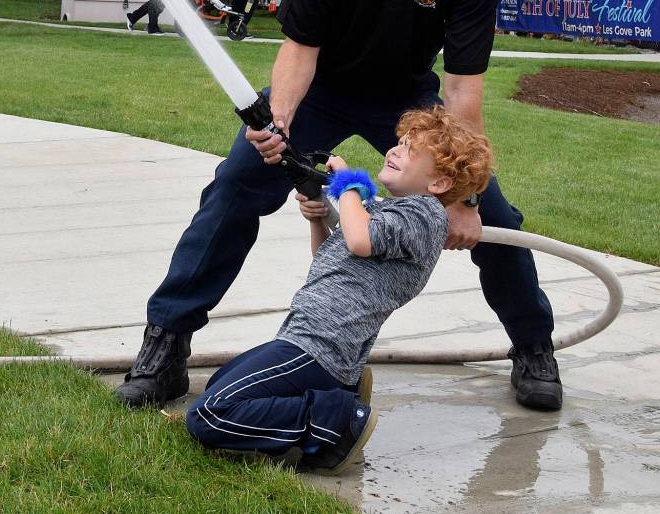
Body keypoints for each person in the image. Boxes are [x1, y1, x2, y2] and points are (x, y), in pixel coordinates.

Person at [114, 0, 563, 414]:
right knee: (235, 188)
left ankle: (533, 346)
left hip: (407, 102)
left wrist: (460, 198)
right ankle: (166, 345)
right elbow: (300, 49)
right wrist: (278, 127)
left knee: (495, 220)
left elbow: (461, 93)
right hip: (322, 86)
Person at [186, 107, 492, 474]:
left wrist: (349, 184)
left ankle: (337, 419)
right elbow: (334, 257)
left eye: (409, 149)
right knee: (220, 387)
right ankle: (336, 396)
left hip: (321, 346)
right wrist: (319, 220)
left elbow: (359, 241)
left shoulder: (424, 217)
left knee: (210, 415)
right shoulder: (394, 211)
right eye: (398, 143)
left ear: (439, 184)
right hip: (306, 339)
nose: (393, 151)